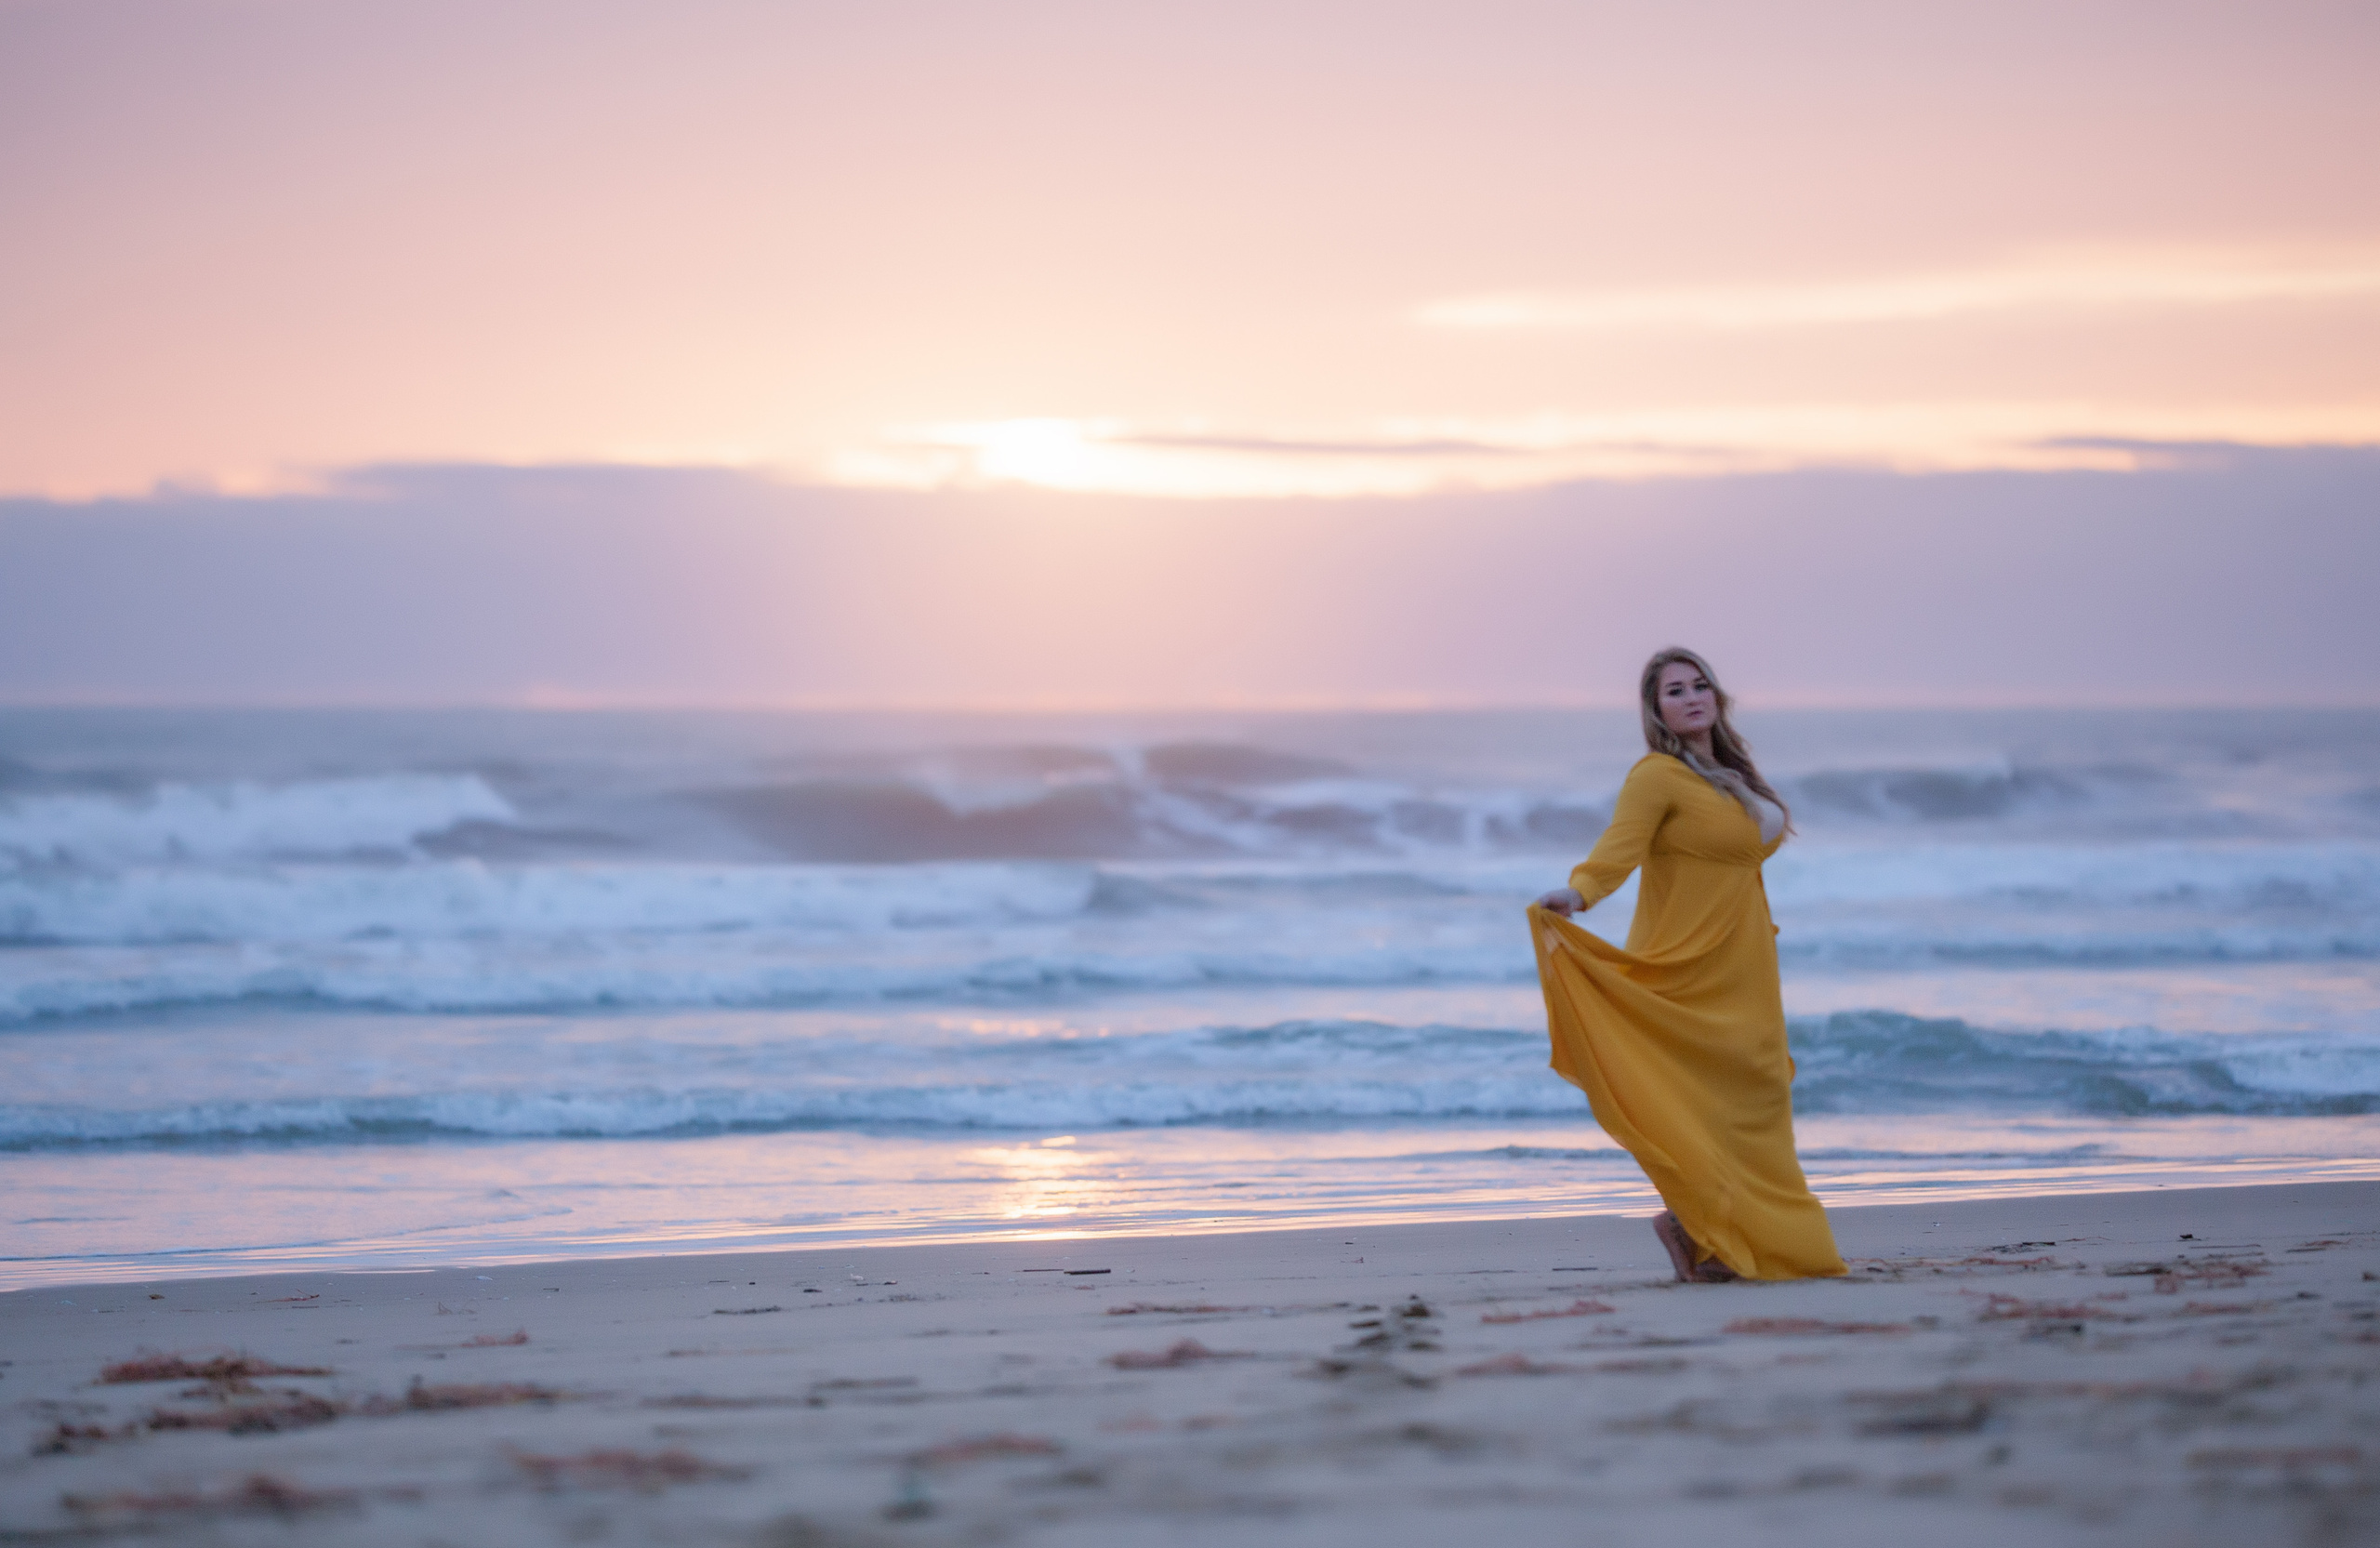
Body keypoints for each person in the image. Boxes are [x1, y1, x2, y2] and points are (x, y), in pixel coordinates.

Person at [1529, 647, 1844, 1282]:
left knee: (1757, 1092)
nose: (1692, 696)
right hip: (1687, 961)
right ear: (1657, 711)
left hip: (1745, 961)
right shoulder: (1657, 776)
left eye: (1701, 685)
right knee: (1697, 1094)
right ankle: (1708, 1229)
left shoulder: (1732, 773)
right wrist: (1580, 891)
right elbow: (1619, 849)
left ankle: (1699, 1227)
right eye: (1675, 690)